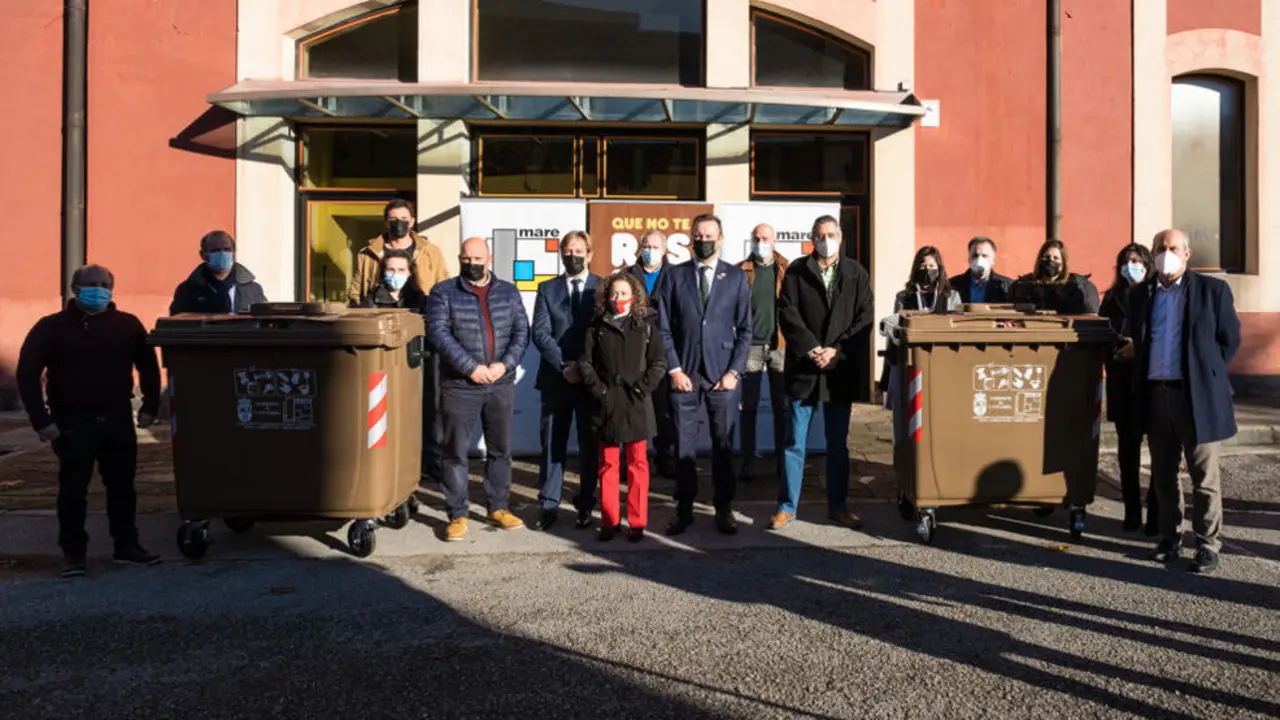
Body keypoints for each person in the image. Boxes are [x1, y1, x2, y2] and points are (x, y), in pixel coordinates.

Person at [16, 265, 162, 577]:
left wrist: (151, 405)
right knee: (72, 490)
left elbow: (148, 367)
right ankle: (73, 554)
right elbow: (27, 374)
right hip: (71, 421)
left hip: (117, 418)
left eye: (104, 283)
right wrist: (41, 420)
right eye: (90, 283)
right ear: (74, 287)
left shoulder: (127, 325)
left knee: (122, 486)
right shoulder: (51, 327)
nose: (98, 289)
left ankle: (127, 545)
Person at [1118, 229, 1240, 574]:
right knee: (1163, 474)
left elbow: (1229, 340)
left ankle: (1207, 544)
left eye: (1173, 248)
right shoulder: (1141, 295)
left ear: (1187, 254)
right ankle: (1170, 538)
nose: (1165, 254)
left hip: (1195, 396)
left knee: (1204, 476)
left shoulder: (1211, 291)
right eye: (1160, 248)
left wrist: (1205, 372)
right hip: (1157, 395)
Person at [770, 215, 874, 531]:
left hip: (838, 372)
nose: (825, 239)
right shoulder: (798, 272)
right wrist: (813, 348)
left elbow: (864, 318)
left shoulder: (856, 273)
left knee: (837, 445)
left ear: (840, 238)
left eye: (830, 234)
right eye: (820, 235)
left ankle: (838, 506)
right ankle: (787, 506)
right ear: (812, 239)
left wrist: (836, 351)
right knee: (794, 442)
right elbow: (787, 313)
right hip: (804, 370)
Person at [425, 237, 529, 542]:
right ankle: (457, 514)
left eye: (478, 258)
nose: (472, 263)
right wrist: (470, 367)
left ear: (490, 258)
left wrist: (504, 365)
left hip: (500, 383)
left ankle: (498, 507)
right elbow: (438, 333)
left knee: (500, 450)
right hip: (460, 385)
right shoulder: (443, 292)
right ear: (460, 258)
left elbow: (522, 332)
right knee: (454, 452)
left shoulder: (508, 292)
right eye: (467, 258)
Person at [655, 214, 752, 536]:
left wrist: (734, 372)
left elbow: (746, 331)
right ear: (690, 239)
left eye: (709, 235)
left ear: (721, 239)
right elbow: (663, 328)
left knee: (723, 447)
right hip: (685, 375)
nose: (703, 240)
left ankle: (724, 509)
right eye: (698, 235)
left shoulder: (736, 277)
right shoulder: (674, 276)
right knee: (684, 446)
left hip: (723, 376)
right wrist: (674, 368)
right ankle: (683, 510)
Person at [578, 272, 667, 542]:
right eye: (614, 293)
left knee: (638, 464)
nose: (619, 298)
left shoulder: (647, 326)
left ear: (634, 296)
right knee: (607, 465)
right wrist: (600, 390)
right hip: (605, 405)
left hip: (637, 404)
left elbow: (659, 363)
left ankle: (637, 522)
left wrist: (641, 389)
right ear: (606, 296)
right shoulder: (596, 327)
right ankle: (609, 521)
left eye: (624, 293)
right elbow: (585, 363)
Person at [530, 231, 600, 531]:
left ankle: (586, 503)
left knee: (589, 444)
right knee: (552, 445)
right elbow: (541, 333)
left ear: (590, 254)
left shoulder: (602, 288)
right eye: (567, 251)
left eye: (578, 250)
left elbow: (602, 335)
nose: (572, 256)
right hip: (556, 378)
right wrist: (563, 366)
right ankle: (548, 503)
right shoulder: (547, 289)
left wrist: (581, 368)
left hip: (590, 380)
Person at [1100, 243, 1158, 534]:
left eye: (1136, 261)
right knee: (1128, 451)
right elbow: (1103, 336)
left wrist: (1141, 348)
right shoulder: (1111, 299)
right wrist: (1116, 349)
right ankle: (1132, 509)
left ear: (1147, 265)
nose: (1130, 266)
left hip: (1152, 382)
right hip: (1122, 381)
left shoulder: (1158, 295)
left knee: (1160, 450)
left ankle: (1156, 513)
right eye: (1125, 261)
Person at [878, 246, 962, 417]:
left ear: (940, 269)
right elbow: (896, 331)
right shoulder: (903, 297)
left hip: (941, 364)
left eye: (932, 266)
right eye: (923, 266)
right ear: (916, 268)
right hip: (910, 364)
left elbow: (957, 329)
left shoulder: (951, 296)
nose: (927, 270)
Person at [737, 223, 789, 483]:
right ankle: (747, 462)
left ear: (775, 240)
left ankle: (783, 461)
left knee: (781, 407)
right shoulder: (742, 270)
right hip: (750, 346)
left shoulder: (787, 270)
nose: (761, 243)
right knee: (749, 408)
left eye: (765, 238)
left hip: (780, 345)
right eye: (756, 238)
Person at [628, 229, 677, 478]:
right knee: (632, 404)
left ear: (665, 250)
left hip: (663, 350)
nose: (650, 251)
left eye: (655, 247)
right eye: (646, 246)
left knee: (663, 407)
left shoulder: (675, 275)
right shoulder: (627, 276)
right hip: (633, 351)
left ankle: (665, 456)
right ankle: (632, 458)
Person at [347, 198, 448, 306]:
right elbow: (355, 290)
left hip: (420, 312)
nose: (399, 223)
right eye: (393, 219)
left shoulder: (429, 251)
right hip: (378, 312)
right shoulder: (368, 253)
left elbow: (442, 283)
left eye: (404, 218)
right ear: (386, 222)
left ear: (412, 222)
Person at [169, 230, 267, 314]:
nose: (222, 254)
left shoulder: (253, 290)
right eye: (215, 250)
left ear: (234, 253)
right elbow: (176, 326)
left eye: (227, 249)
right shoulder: (187, 291)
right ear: (202, 255)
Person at [1010, 239, 1100, 314]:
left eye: (1055, 258)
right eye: (1046, 257)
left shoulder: (1079, 286)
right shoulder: (1023, 286)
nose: (1050, 261)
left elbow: (1090, 314)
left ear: (1063, 263)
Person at [354, 248, 425, 309]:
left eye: (401, 270)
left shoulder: (421, 300)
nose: (395, 274)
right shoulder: (371, 302)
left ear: (410, 272)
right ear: (383, 272)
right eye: (391, 269)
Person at [950, 236, 1013, 304]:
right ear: (969, 258)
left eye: (984, 256)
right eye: (975, 255)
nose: (979, 260)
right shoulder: (953, 285)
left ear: (993, 260)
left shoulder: (1007, 286)